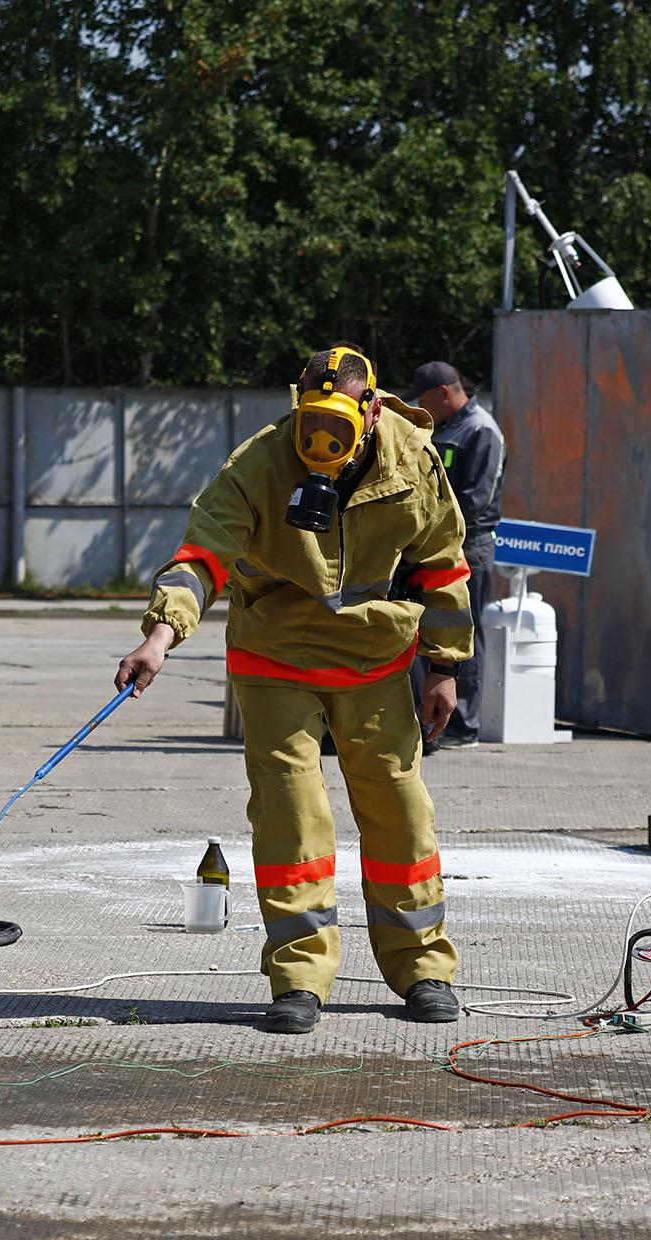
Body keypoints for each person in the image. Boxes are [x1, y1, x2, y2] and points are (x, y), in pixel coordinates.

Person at [115, 347, 474, 1034]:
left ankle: (424, 968)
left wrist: (446, 665)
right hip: (274, 655)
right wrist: (160, 635)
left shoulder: (411, 458)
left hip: (373, 657)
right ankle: (300, 978)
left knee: (400, 811)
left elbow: (442, 564)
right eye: (309, 424)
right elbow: (203, 555)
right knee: (292, 815)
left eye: (336, 428)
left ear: (371, 408)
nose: (320, 445)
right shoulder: (259, 463)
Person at [407, 361, 505, 749]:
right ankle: (432, 717)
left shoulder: (482, 430)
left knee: (465, 633)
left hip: (469, 548)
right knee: (431, 631)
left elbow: (477, 500)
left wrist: (435, 531)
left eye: (425, 400)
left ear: (444, 394)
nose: (421, 406)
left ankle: (464, 725)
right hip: (435, 546)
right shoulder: (445, 428)